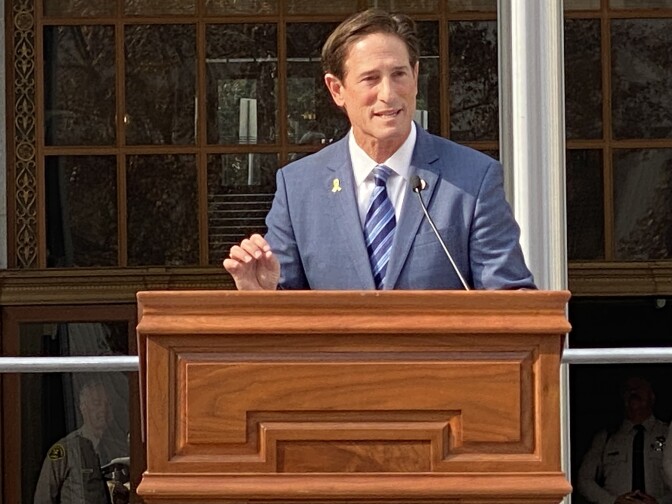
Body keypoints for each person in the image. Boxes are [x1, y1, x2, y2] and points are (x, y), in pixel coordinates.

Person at [223, 8, 535, 291]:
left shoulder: (472, 178)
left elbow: (512, 303)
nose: (388, 94)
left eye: (399, 74)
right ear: (337, 90)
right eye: (371, 79)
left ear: (414, 76)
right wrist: (262, 296)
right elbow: (285, 310)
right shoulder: (299, 187)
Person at [576, 375, 672, 504]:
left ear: (652, 396)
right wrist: (613, 501)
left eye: (639, 388)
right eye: (628, 389)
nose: (633, 392)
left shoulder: (668, 434)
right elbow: (584, 480)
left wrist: (660, 502)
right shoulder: (606, 437)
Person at [34, 380, 128, 504]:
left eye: (108, 404)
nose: (103, 410)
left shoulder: (116, 448)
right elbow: (43, 499)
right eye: (96, 404)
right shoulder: (65, 450)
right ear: (82, 407)